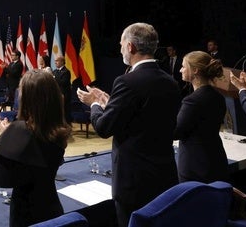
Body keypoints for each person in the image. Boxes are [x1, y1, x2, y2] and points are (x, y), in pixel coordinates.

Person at [77, 22, 181, 227]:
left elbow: (104, 128)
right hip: (165, 176)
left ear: (131, 46)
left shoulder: (127, 82)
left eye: (122, 44)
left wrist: (95, 104)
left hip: (134, 183)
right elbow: (141, 118)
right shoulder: (170, 82)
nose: (121, 48)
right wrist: (111, 103)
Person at [0, 69, 72, 227]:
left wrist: (9, 135)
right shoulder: (59, 131)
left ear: (28, 99)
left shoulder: (20, 131)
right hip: (51, 207)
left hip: (26, 213)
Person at [174, 50, 229, 183]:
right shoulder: (218, 97)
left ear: (195, 70)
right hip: (216, 159)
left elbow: (175, 132)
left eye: (183, 66)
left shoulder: (192, 101)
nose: (180, 70)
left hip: (195, 166)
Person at [53, 55, 73, 124]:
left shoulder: (66, 71)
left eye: (57, 61)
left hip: (64, 95)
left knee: (65, 112)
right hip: (57, 95)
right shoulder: (55, 71)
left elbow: (63, 82)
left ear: (62, 62)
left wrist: (54, 78)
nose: (55, 62)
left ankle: (67, 126)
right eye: (55, 61)